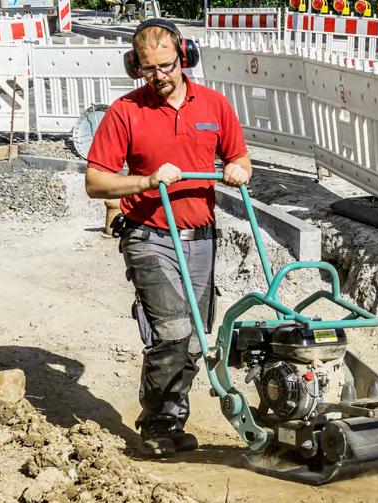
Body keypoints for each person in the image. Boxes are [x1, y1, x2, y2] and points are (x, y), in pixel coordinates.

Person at [84, 18, 251, 457]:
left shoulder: (214, 105)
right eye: (147, 68)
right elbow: (96, 182)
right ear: (134, 67)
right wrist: (145, 181)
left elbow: (239, 156)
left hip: (201, 235)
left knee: (196, 335)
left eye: (166, 65)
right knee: (172, 330)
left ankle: (174, 421)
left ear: (185, 57)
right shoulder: (126, 112)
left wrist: (238, 169)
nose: (158, 75)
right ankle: (157, 425)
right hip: (149, 234)